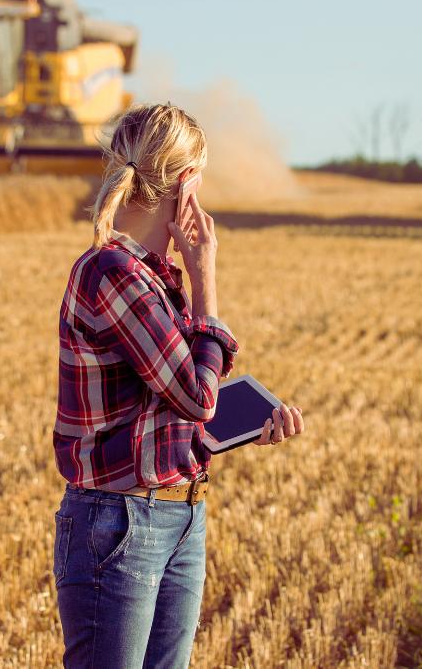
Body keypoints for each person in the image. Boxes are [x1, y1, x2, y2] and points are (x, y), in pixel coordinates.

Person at [52, 103, 305, 668]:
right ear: (187, 183)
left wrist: (243, 428)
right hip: (119, 523)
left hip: (179, 511)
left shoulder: (155, 279)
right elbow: (196, 393)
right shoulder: (111, 273)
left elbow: (177, 408)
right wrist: (206, 277)